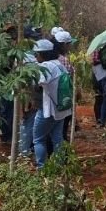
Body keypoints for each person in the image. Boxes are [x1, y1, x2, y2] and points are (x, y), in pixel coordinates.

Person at [31, 39, 68, 169]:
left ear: (43, 54)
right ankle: (59, 166)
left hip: (48, 109)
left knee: (38, 139)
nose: (36, 57)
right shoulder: (59, 64)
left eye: (37, 54)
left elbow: (39, 84)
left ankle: (41, 167)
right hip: (61, 108)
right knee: (57, 138)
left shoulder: (46, 67)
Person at [54, 30, 77, 137]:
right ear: (64, 45)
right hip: (63, 95)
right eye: (69, 44)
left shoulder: (52, 57)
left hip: (53, 95)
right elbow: (70, 77)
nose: (70, 46)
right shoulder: (63, 60)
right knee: (63, 123)